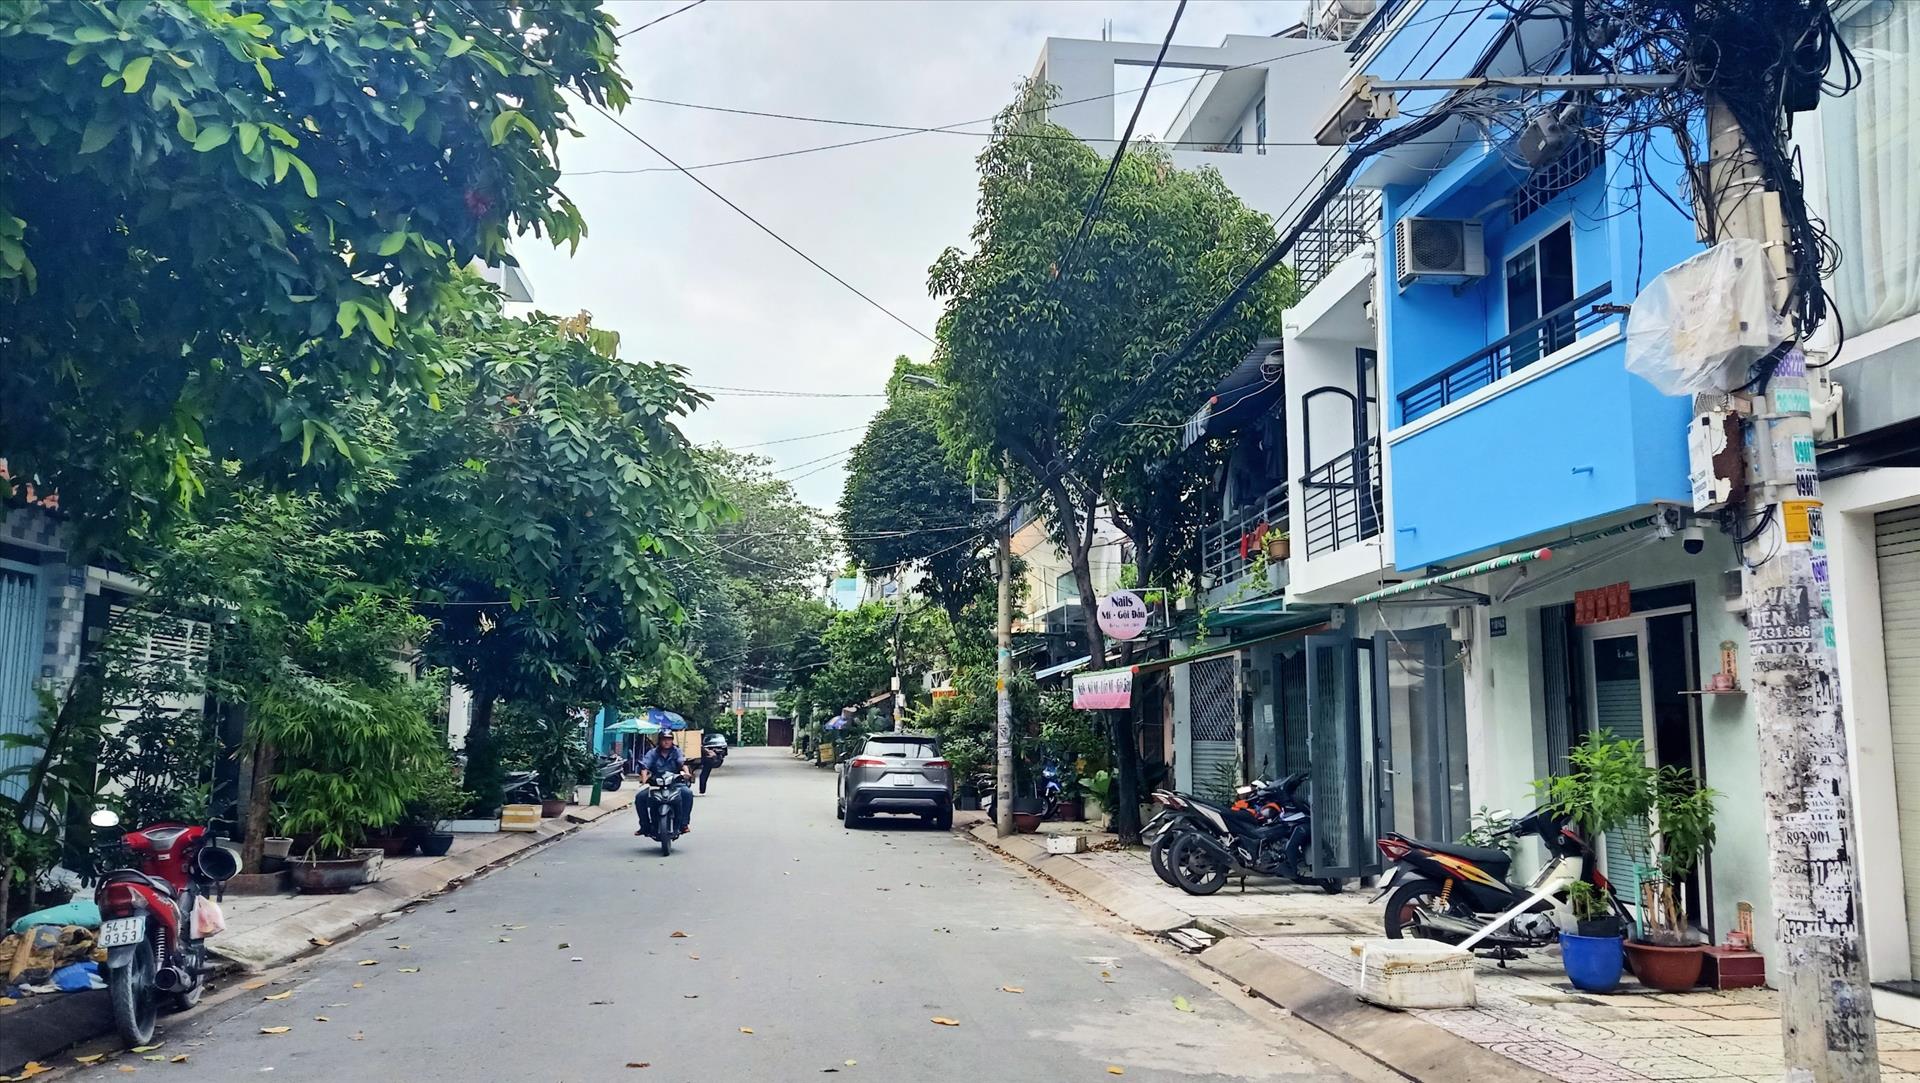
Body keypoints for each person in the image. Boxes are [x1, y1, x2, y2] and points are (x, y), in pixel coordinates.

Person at [635, 731, 695, 837]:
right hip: (656, 785)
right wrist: (644, 780)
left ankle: (683, 824)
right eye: (664, 739)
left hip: (674, 784)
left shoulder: (676, 751)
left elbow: (682, 762)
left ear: (672, 741)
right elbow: (644, 766)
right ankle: (645, 826)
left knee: (687, 793)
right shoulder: (653, 753)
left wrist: (686, 773)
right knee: (640, 797)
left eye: (669, 739)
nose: (666, 742)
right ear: (659, 740)